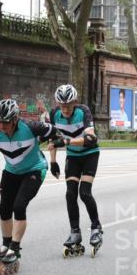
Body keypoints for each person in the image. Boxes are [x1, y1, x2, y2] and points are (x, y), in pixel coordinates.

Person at [0, 98, 59, 275]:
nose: (2, 127)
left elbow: (55, 132)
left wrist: (57, 143)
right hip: (11, 171)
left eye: (6, 123)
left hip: (34, 169)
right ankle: (6, 244)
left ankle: (15, 249)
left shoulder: (31, 127)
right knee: (4, 209)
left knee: (19, 206)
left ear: (16, 119)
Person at [48, 84, 103, 257]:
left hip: (89, 155)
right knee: (70, 193)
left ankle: (96, 227)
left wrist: (67, 142)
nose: (65, 109)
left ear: (75, 102)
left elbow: (90, 138)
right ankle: (75, 232)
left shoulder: (83, 111)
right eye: (62, 105)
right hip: (73, 157)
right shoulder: (54, 114)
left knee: (84, 192)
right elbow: (53, 138)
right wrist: (53, 162)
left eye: (68, 105)